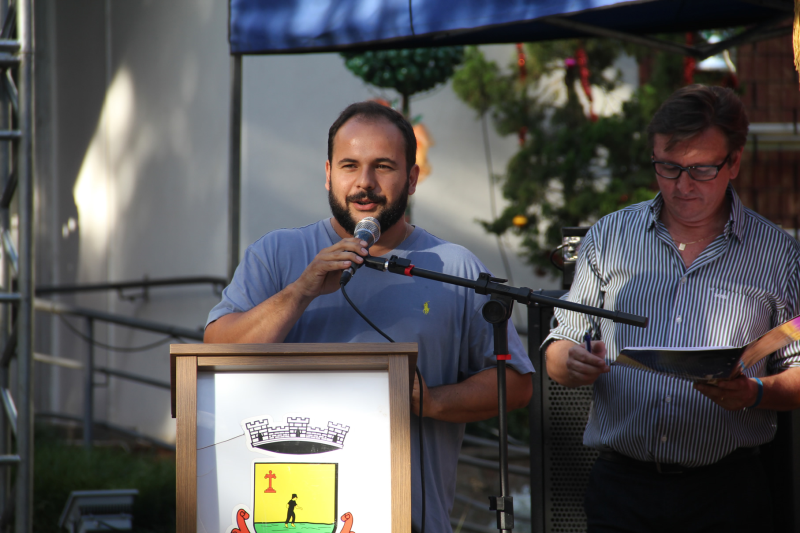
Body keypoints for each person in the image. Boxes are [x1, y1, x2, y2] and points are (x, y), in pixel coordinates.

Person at [204, 101, 534, 533]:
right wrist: (301, 291)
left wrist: (433, 402)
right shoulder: (276, 253)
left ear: (411, 178)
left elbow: (516, 384)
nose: (364, 183)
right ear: (328, 174)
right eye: (349, 166)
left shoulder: (455, 267)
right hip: (294, 519)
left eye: (383, 166)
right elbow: (215, 351)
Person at [543, 84, 800, 533]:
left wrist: (755, 393)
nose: (682, 186)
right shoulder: (609, 236)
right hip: (621, 485)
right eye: (668, 167)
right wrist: (570, 362)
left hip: (726, 490)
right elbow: (560, 343)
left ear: (734, 162)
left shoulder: (779, 254)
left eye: (701, 169)